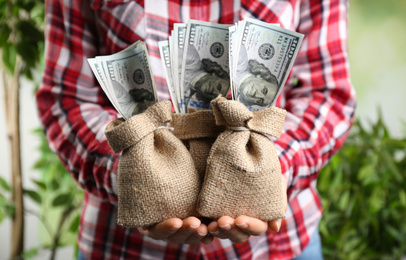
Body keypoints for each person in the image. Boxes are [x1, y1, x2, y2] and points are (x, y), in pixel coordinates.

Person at [36, 1, 356, 259]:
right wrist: (137, 184)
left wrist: (266, 175)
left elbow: (327, 95)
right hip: (124, 247)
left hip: (277, 248)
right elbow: (67, 100)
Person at [183, 45, 230, 110]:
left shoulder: (184, 100)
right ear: (216, 73)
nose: (215, 92)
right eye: (219, 87)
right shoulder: (192, 58)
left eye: (216, 97)